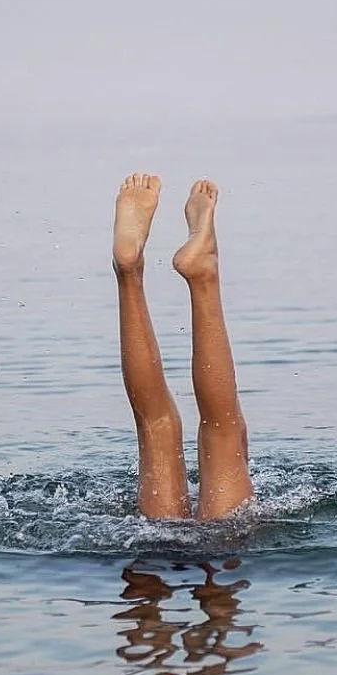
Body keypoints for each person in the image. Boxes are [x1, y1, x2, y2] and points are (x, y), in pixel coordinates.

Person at [112, 173, 253, 521]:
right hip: (226, 543)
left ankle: (127, 271)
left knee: (155, 426)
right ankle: (204, 273)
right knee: (224, 432)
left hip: (149, 545)